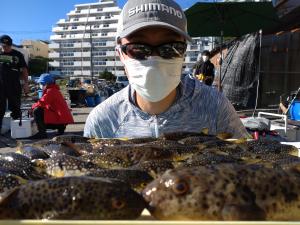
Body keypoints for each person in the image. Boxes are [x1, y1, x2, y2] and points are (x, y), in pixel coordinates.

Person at [84, 0, 249, 139]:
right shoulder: (102, 121)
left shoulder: (215, 107)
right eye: (138, 48)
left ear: (184, 52)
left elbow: (247, 166)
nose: (154, 59)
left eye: (171, 48)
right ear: (120, 54)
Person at [30, 73, 74, 139]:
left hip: (60, 119)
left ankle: (42, 133)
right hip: (62, 118)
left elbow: (42, 102)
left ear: (46, 83)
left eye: (42, 84)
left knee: (37, 111)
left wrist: (32, 107)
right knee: (41, 110)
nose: (41, 85)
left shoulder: (51, 91)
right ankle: (60, 128)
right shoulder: (54, 90)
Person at [0, 34, 29, 132]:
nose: (5, 48)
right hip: (0, 85)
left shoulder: (17, 54)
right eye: (3, 46)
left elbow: (24, 69)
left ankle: (17, 129)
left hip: (14, 85)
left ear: (11, 45)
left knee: (16, 107)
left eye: (7, 46)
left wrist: (26, 83)